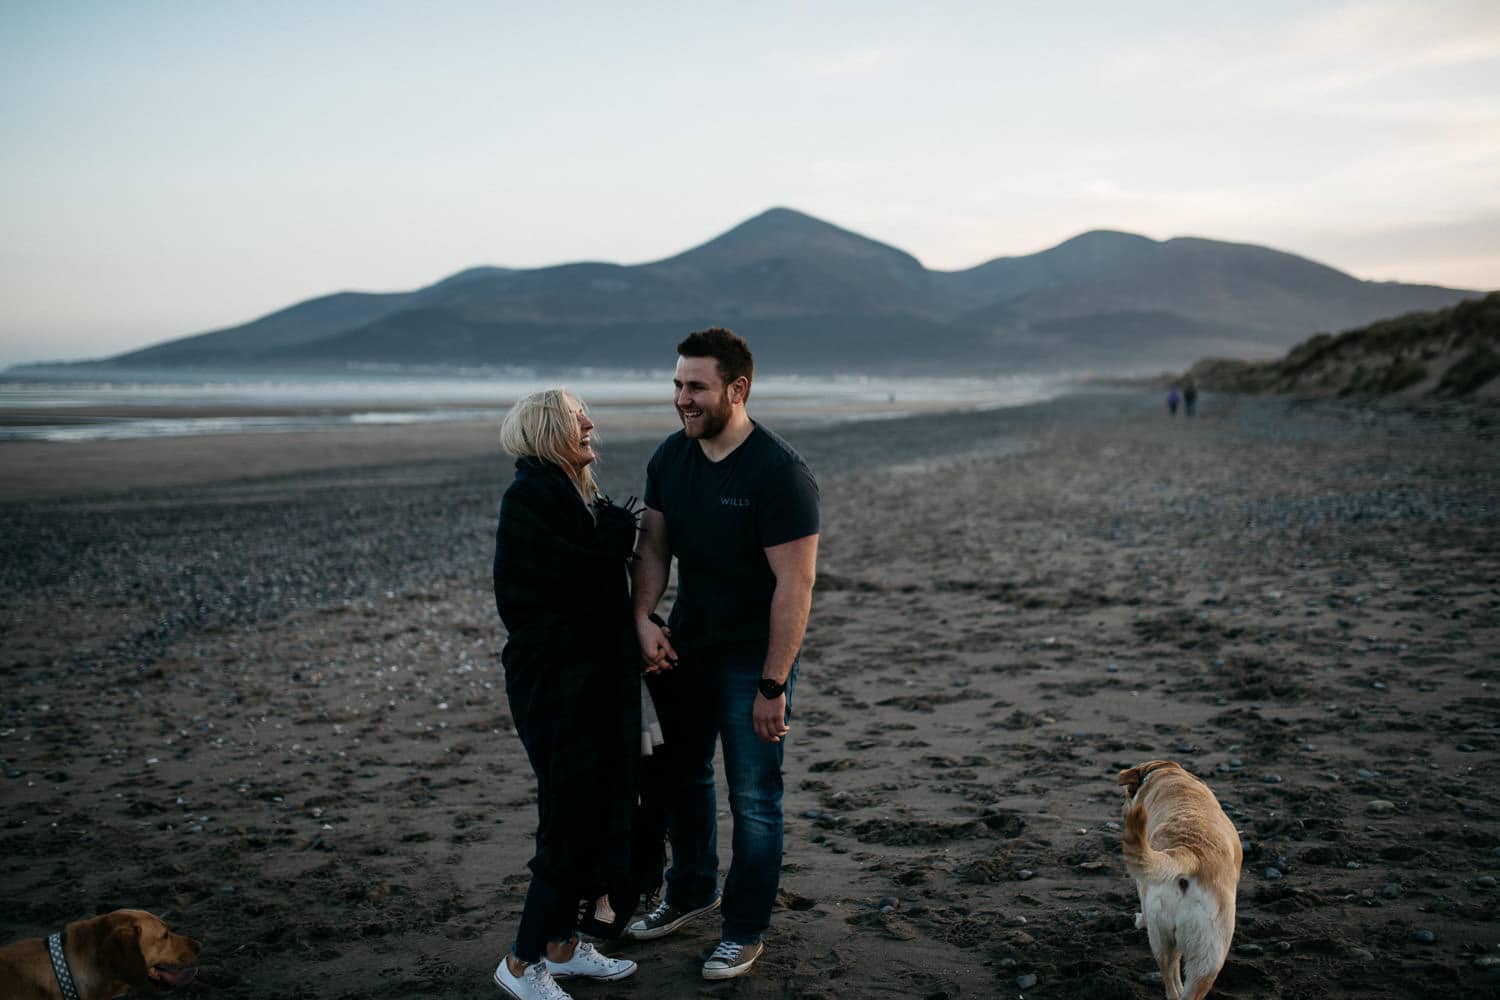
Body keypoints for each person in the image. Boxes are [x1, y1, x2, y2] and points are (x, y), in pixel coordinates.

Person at [626, 328, 820, 981]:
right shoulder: (670, 459)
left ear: (737, 389)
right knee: (683, 782)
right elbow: (652, 547)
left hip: (752, 661)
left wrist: (773, 685)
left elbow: (797, 585)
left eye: (695, 387)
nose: (682, 398)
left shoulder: (779, 473)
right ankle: (690, 892)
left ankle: (743, 929)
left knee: (754, 796)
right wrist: (642, 618)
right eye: (678, 384)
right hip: (687, 646)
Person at [490, 389, 645, 1000]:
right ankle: (523, 963)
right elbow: (549, 595)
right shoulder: (529, 498)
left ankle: (562, 945)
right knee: (569, 815)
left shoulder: (576, 494)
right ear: (550, 430)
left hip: (594, 681)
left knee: (602, 806)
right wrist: (611, 542)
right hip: (556, 688)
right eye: (579, 420)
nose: (591, 426)